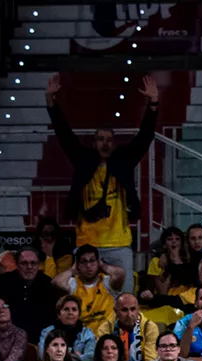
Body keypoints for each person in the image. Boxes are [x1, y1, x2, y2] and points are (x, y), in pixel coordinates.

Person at [46, 75, 157, 293]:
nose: (105, 143)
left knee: (123, 297)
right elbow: (64, 134)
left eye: (109, 139)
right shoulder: (82, 159)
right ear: (93, 142)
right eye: (100, 139)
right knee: (83, 297)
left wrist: (154, 104)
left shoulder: (124, 160)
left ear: (114, 143)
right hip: (88, 242)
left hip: (119, 242)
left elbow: (145, 137)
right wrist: (51, 100)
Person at [96, 293, 159, 361]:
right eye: (124, 310)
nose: (129, 314)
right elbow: (101, 358)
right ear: (116, 311)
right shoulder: (105, 328)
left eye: (133, 309)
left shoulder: (149, 327)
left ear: (138, 309)